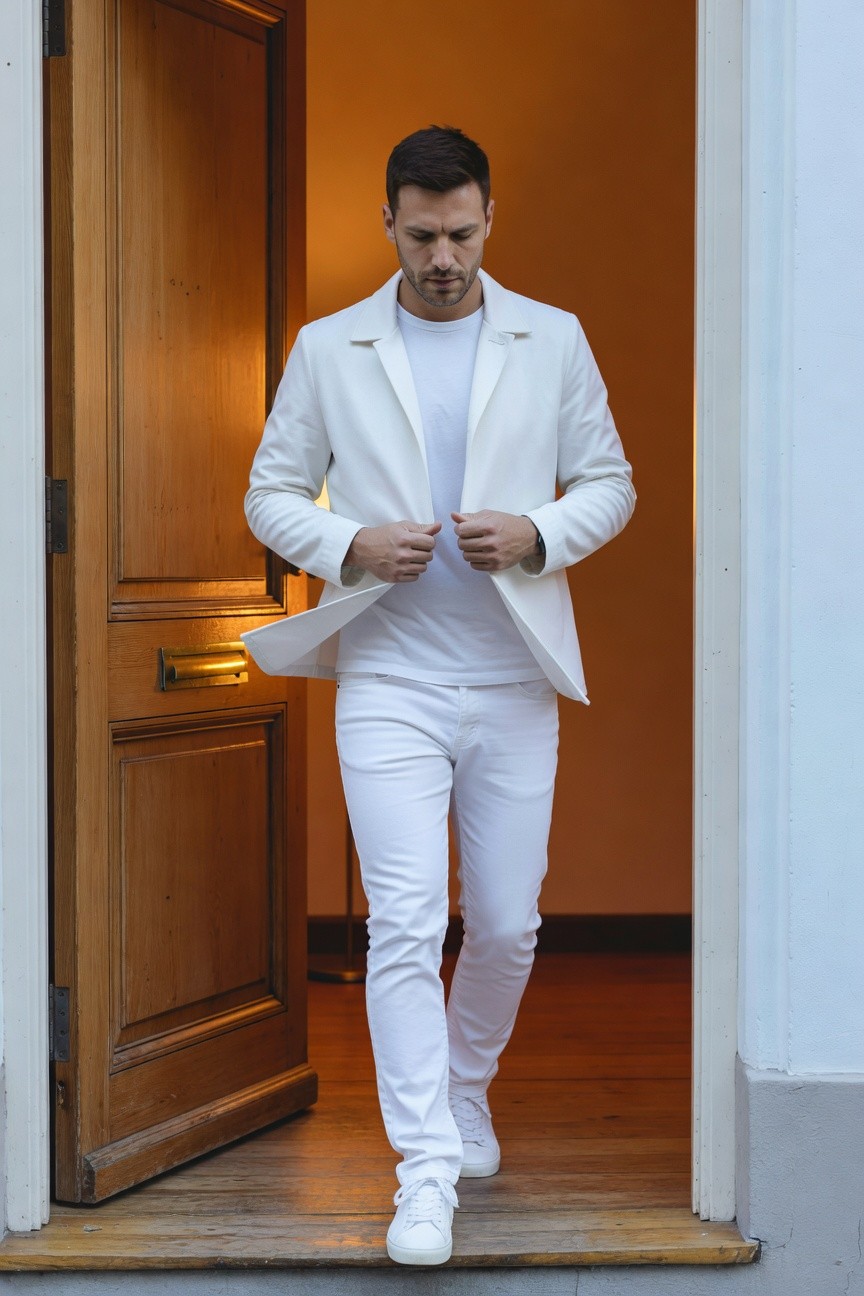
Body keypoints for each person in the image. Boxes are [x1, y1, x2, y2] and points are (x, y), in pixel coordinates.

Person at [243, 125, 635, 1266]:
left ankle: (466, 1093)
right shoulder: (330, 346)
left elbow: (611, 482)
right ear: (390, 226)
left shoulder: (552, 339)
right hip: (389, 673)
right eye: (422, 236)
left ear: (489, 219)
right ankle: (423, 1173)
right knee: (406, 923)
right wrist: (350, 540)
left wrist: (540, 532)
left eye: (462, 233)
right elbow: (272, 493)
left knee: (508, 924)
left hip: (515, 675)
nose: (444, 257)